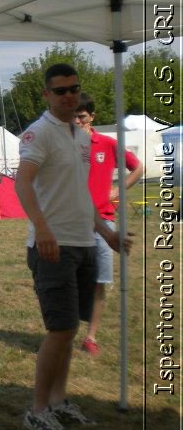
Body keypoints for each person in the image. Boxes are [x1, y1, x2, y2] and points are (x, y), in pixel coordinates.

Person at [15, 63, 130, 430]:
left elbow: (82, 194)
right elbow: (23, 184)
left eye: (74, 89)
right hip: (53, 246)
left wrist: (106, 233)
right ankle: (37, 408)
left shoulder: (81, 138)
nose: (69, 96)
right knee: (60, 329)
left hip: (84, 242)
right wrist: (43, 228)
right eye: (60, 90)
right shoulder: (38, 134)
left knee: (69, 329)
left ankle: (60, 401)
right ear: (46, 95)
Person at [74, 93, 143, 357]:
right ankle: (63, 328)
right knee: (69, 278)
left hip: (102, 221)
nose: (77, 121)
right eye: (73, 117)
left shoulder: (106, 144)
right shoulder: (64, 145)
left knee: (99, 280)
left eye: (82, 117)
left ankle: (91, 337)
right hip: (71, 222)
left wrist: (117, 190)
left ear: (92, 117)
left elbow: (138, 168)